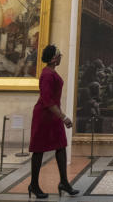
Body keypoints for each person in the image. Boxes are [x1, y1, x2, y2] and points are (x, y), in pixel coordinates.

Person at [28, 45, 78, 200]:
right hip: (44, 116)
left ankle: (64, 182)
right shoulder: (47, 75)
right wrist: (63, 117)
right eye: (59, 55)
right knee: (39, 150)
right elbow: (47, 101)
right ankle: (34, 185)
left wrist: (59, 116)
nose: (61, 57)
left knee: (61, 147)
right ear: (53, 58)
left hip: (53, 115)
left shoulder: (50, 72)